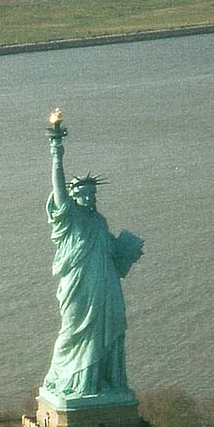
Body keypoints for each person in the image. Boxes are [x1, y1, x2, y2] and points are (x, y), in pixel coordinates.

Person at [41, 122, 143, 401]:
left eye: (92, 194)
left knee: (109, 327)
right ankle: (68, 380)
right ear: (73, 197)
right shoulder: (69, 219)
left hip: (106, 286)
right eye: (82, 194)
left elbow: (111, 252)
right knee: (72, 331)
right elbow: (59, 189)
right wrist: (56, 153)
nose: (88, 197)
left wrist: (128, 251)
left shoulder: (99, 221)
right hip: (78, 287)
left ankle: (103, 382)